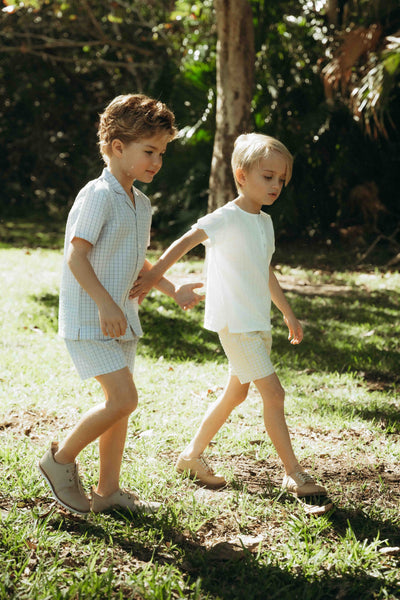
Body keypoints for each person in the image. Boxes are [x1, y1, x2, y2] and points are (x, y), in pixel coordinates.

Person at [131, 132, 327, 498]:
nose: (276, 185)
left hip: (256, 323)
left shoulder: (264, 223)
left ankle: (191, 457)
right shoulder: (225, 218)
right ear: (241, 176)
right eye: (267, 177)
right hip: (235, 326)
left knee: (235, 395)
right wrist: (156, 276)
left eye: (281, 179)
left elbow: (264, 270)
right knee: (275, 394)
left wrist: (288, 313)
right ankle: (293, 473)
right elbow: (184, 242)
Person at [38, 93, 203, 515]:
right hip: (90, 319)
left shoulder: (140, 202)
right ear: (116, 147)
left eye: (162, 153)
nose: (157, 161)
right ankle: (59, 462)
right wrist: (106, 305)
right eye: (149, 151)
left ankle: (107, 491)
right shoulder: (97, 195)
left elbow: (135, 261)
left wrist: (172, 289)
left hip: (122, 320)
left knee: (120, 408)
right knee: (123, 399)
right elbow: (76, 255)